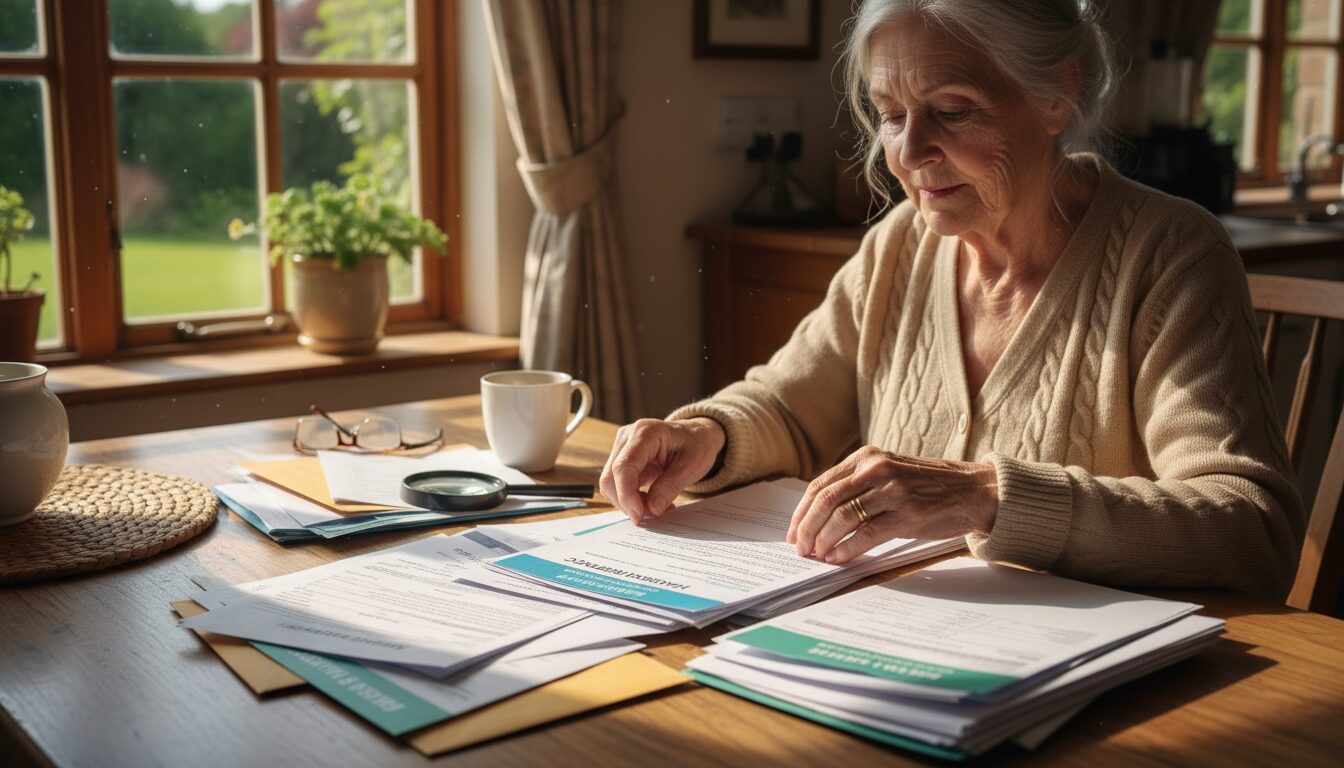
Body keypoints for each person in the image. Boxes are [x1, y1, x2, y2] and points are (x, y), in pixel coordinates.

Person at [600, 0, 1304, 597]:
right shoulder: (899, 245)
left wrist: (987, 495)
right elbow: (788, 405)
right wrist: (706, 435)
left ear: (1058, 95)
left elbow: (1252, 528)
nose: (909, 151)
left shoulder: (1171, 254)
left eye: (953, 110)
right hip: (902, 658)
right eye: (891, 113)